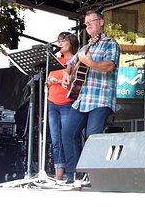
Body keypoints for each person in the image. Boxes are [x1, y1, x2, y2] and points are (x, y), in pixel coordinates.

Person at [61, 11, 120, 182]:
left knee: (93, 136)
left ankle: (94, 176)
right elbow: (70, 65)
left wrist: (89, 63)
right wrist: (67, 74)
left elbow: (109, 66)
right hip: (82, 99)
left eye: (91, 21)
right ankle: (74, 174)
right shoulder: (84, 48)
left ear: (101, 22)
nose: (87, 25)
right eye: (85, 22)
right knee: (67, 132)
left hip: (100, 98)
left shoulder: (111, 44)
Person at [46, 32, 79, 180]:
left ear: (71, 42)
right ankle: (58, 173)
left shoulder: (75, 60)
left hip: (66, 103)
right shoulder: (55, 60)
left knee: (67, 137)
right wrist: (52, 81)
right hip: (52, 101)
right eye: (59, 40)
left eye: (63, 41)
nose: (60, 43)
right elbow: (48, 81)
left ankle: (72, 171)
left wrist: (57, 81)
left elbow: (74, 81)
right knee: (55, 139)